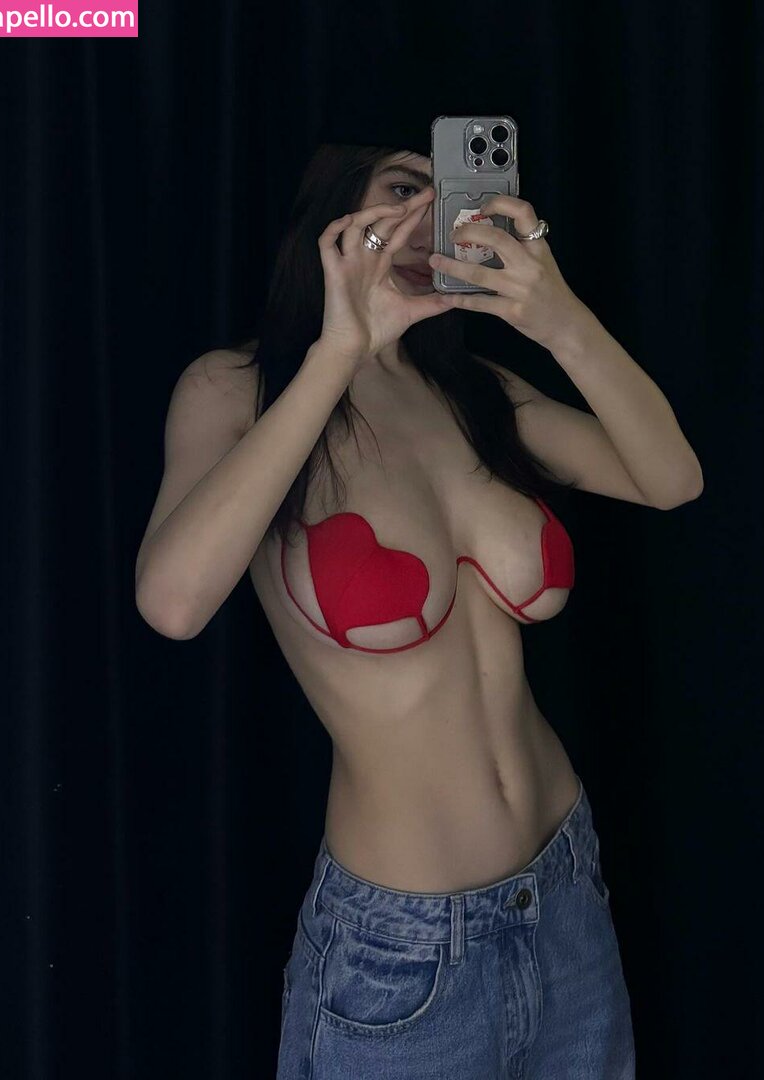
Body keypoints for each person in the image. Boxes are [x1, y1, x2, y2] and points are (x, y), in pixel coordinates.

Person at [135, 135, 702, 1078]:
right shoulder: (236, 389)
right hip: (402, 951)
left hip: (565, 893)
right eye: (405, 186)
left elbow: (672, 479)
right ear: (335, 214)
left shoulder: (476, 390)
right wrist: (338, 353)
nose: (437, 215)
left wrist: (560, 320)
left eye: (455, 194)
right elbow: (174, 603)